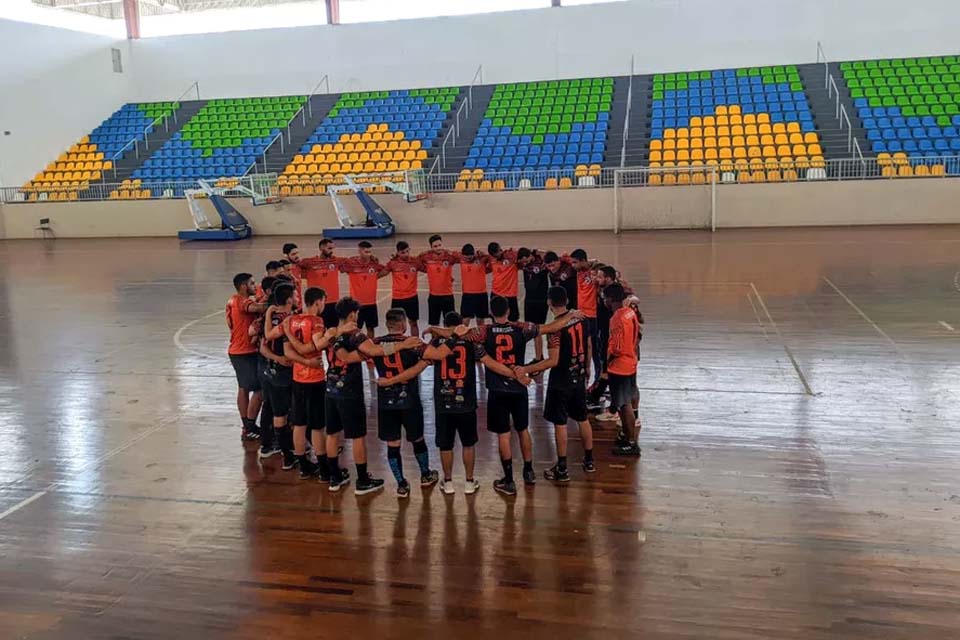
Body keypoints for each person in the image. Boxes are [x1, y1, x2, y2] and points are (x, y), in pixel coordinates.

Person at [325, 297, 422, 495]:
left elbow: (333, 351)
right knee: (357, 436)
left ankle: (334, 477)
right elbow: (374, 351)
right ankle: (362, 480)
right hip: (349, 391)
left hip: (330, 388)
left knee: (332, 433)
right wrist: (402, 345)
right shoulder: (355, 334)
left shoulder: (331, 332)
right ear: (352, 314)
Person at [421, 311, 520, 495]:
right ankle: (468, 481)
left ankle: (448, 482)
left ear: (445, 325)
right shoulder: (471, 342)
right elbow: (488, 361)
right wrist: (515, 374)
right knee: (468, 444)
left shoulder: (435, 343)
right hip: (466, 400)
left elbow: (424, 362)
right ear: (461, 325)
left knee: (445, 445)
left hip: (443, 402)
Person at [516, 286, 595, 482]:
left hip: (561, 380)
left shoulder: (555, 330)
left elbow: (553, 361)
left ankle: (562, 468)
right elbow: (589, 344)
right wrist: (587, 367)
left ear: (549, 303)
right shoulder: (581, 318)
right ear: (567, 300)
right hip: (579, 375)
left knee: (560, 423)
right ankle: (589, 461)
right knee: (582, 418)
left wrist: (525, 369)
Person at [369, 308, 440, 498]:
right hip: (409, 400)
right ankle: (425, 475)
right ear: (402, 324)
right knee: (417, 438)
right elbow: (436, 355)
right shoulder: (413, 343)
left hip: (386, 402)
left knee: (393, 443)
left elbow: (362, 356)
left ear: (387, 324)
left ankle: (401, 484)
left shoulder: (375, 344)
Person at [282, 287, 337, 479]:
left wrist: (302, 361)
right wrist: (329, 336)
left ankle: (304, 466)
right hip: (314, 379)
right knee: (317, 426)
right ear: (318, 302)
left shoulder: (290, 320)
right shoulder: (316, 321)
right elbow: (315, 345)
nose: (324, 305)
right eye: (324, 301)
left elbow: (288, 352)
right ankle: (324, 469)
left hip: (297, 378)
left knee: (299, 423)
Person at [258, 281, 297, 470]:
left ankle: (285, 452)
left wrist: (275, 358)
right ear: (289, 299)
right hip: (287, 372)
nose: (297, 298)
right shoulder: (291, 320)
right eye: (294, 295)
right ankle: (291, 452)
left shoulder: (270, 318)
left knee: (276, 411)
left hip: (271, 371)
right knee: (292, 412)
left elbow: (262, 347)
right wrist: (282, 359)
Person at [226, 272, 267, 441]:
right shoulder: (241, 301)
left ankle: (247, 425)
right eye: (252, 283)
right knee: (259, 389)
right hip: (243, 352)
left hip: (241, 350)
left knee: (243, 388)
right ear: (243, 286)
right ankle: (249, 426)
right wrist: (275, 303)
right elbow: (256, 308)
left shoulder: (233, 300)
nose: (254, 286)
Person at [603, 283, 643, 456]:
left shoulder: (617, 318)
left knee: (623, 405)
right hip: (631, 362)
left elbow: (617, 347)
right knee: (627, 403)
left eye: (605, 298)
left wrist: (607, 362)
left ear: (611, 299)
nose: (604, 301)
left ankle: (630, 442)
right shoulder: (630, 312)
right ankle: (628, 437)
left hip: (619, 367)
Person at [299, 238, 344, 332]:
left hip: (333, 302)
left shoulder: (336, 261)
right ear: (321, 248)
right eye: (329, 248)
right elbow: (296, 265)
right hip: (317, 303)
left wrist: (371, 257)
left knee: (333, 330)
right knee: (318, 330)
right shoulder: (309, 263)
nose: (331, 251)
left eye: (332, 248)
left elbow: (352, 262)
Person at [340, 240, 382, 340]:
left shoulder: (374, 264)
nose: (368, 254)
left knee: (370, 328)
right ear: (359, 251)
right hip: (356, 304)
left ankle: (370, 345)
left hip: (371, 303)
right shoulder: (352, 264)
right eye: (366, 252)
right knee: (355, 328)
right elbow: (341, 269)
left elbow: (385, 270)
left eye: (370, 252)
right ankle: (354, 346)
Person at [570, 249, 602, 378]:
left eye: (575, 262)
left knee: (594, 346)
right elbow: (563, 258)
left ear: (583, 261)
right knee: (581, 345)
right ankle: (583, 372)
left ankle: (599, 375)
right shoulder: (579, 271)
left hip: (592, 315)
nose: (573, 265)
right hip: (580, 314)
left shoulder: (595, 271)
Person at [418, 234, 459, 326]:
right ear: (431, 247)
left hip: (448, 296)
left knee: (450, 324)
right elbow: (415, 262)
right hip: (434, 297)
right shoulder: (426, 256)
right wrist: (427, 270)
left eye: (440, 245)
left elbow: (462, 258)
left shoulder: (449, 256)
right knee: (434, 324)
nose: (438, 248)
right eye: (435, 246)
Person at [382, 241, 421, 337]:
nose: (406, 254)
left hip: (412, 297)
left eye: (407, 251)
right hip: (397, 298)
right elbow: (380, 273)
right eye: (403, 252)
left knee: (413, 323)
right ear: (398, 253)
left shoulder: (415, 262)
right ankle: (396, 342)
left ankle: (415, 343)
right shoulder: (393, 263)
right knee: (395, 324)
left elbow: (429, 269)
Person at [517, 247, 550, 361]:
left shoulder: (542, 261)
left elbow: (550, 256)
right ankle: (521, 357)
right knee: (528, 329)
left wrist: (537, 252)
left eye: (526, 260)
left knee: (538, 330)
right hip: (529, 301)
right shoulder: (523, 264)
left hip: (541, 301)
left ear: (530, 256)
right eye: (523, 262)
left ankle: (539, 357)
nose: (524, 263)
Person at [487, 242, 520, 321]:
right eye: (494, 255)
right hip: (496, 293)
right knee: (496, 318)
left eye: (497, 254)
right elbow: (487, 269)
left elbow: (523, 256)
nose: (496, 256)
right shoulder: (491, 259)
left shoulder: (511, 256)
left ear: (500, 250)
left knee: (513, 319)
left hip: (510, 294)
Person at [458, 243, 490, 326]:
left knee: (480, 320)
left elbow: (492, 258)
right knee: (465, 320)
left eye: (470, 256)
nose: (469, 258)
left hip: (481, 294)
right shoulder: (461, 259)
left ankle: (480, 335)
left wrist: (484, 254)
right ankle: (464, 334)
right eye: (466, 256)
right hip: (467, 295)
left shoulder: (481, 259)